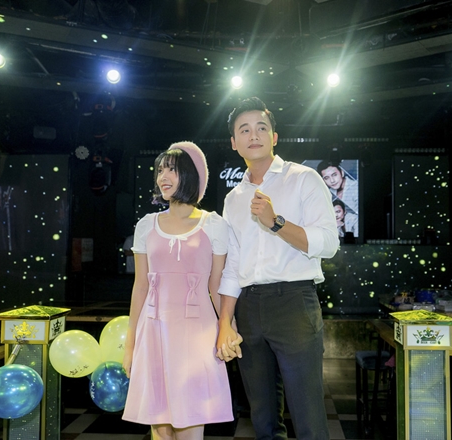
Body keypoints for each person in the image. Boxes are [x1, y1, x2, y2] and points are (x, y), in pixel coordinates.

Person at [216, 97, 339, 439]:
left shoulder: (303, 179)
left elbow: (329, 243)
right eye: (244, 130)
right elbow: (233, 266)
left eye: (261, 128)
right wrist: (225, 322)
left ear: (274, 137)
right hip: (249, 306)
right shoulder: (233, 199)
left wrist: (276, 222)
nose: (253, 135)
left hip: (294, 303)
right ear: (234, 142)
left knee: (308, 417)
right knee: (263, 419)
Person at [122, 141, 234, 439]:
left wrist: (229, 327)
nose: (163, 177)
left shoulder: (213, 224)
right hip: (154, 330)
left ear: (191, 176)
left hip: (196, 334)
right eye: (160, 170)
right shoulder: (147, 225)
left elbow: (217, 285)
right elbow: (140, 286)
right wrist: (130, 344)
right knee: (160, 429)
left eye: (172, 170)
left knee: (191, 422)